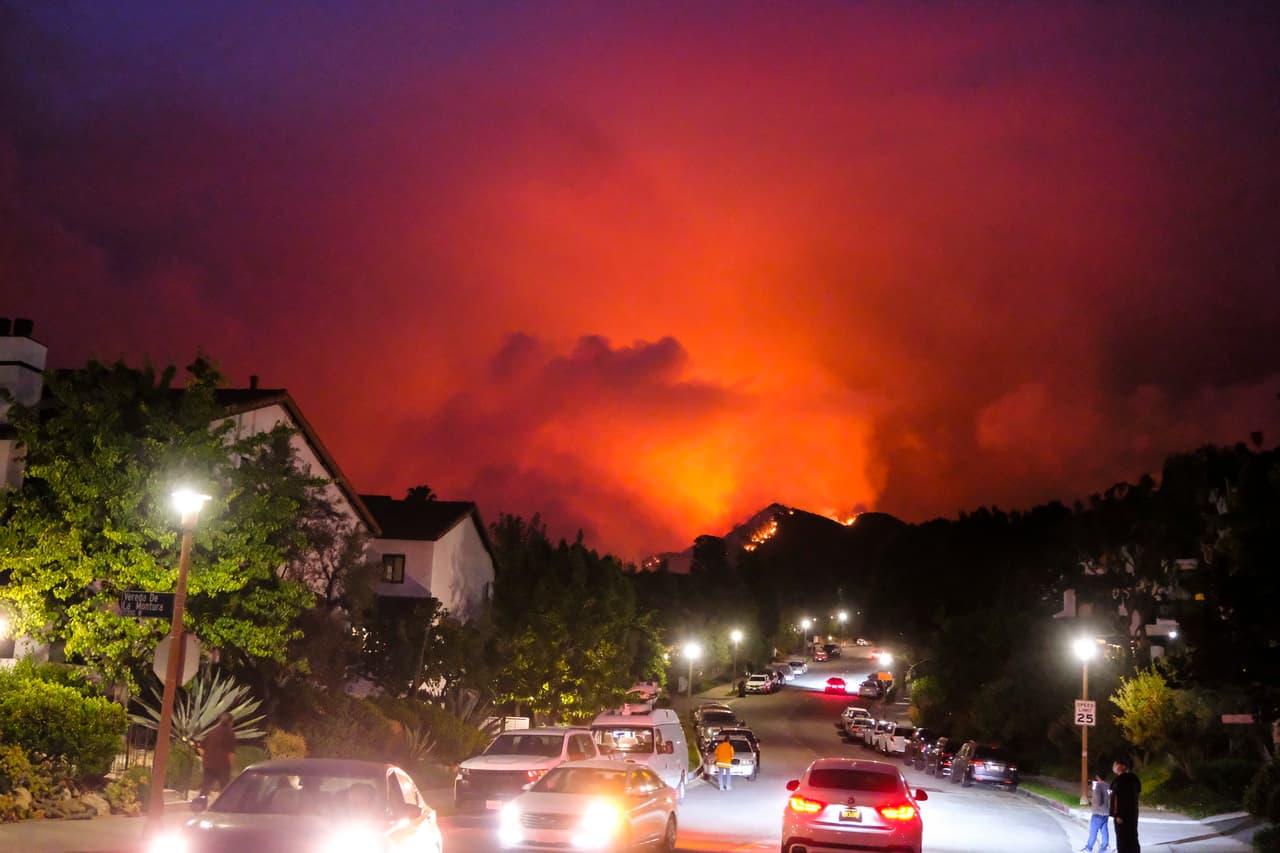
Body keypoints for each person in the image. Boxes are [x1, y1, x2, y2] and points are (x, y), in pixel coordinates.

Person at [197, 712, 238, 798]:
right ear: (230, 722)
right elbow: (230, 753)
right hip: (222, 766)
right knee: (225, 790)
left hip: (208, 765)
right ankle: (223, 808)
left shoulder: (212, 732)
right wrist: (231, 767)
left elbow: (200, 748)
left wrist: (206, 757)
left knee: (205, 788)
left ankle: (199, 806)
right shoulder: (230, 733)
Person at [1110, 756, 1141, 853]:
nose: (1114, 766)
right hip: (1132, 815)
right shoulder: (1134, 779)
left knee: (1122, 840)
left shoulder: (1121, 780)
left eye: (1116, 764)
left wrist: (1119, 814)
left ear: (1123, 766)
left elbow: (1120, 798)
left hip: (1122, 817)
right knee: (1132, 838)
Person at [1082, 771, 1111, 852]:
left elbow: (1097, 797)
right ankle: (1104, 848)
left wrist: (1094, 802)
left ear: (1098, 777)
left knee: (1093, 831)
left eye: (1096, 777)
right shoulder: (1108, 785)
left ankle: (1088, 848)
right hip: (1106, 813)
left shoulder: (1098, 785)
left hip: (1098, 813)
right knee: (1104, 831)